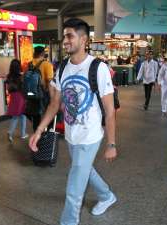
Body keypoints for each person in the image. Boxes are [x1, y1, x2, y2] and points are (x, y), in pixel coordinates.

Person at [28, 18, 117, 225]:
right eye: (64, 36)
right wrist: (39, 130)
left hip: (90, 135)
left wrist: (111, 144)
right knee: (84, 168)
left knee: (74, 189)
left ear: (84, 39)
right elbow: (55, 103)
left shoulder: (98, 68)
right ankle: (106, 196)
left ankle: (68, 221)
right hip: (71, 134)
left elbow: (110, 110)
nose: (65, 41)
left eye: (70, 36)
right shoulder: (63, 67)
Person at [27, 46, 54, 132]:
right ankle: (47, 137)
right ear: (42, 53)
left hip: (31, 94)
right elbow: (50, 82)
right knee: (49, 116)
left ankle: (37, 139)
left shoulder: (29, 64)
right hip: (43, 94)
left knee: (36, 117)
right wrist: (53, 98)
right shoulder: (47, 64)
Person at [6, 59, 27, 142]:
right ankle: (22, 134)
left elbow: (8, 88)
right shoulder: (21, 76)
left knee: (17, 115)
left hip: (13, 96)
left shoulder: (9, 76)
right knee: (22, 115)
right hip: (20, 96)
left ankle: (12, 133)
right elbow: (24, 87)